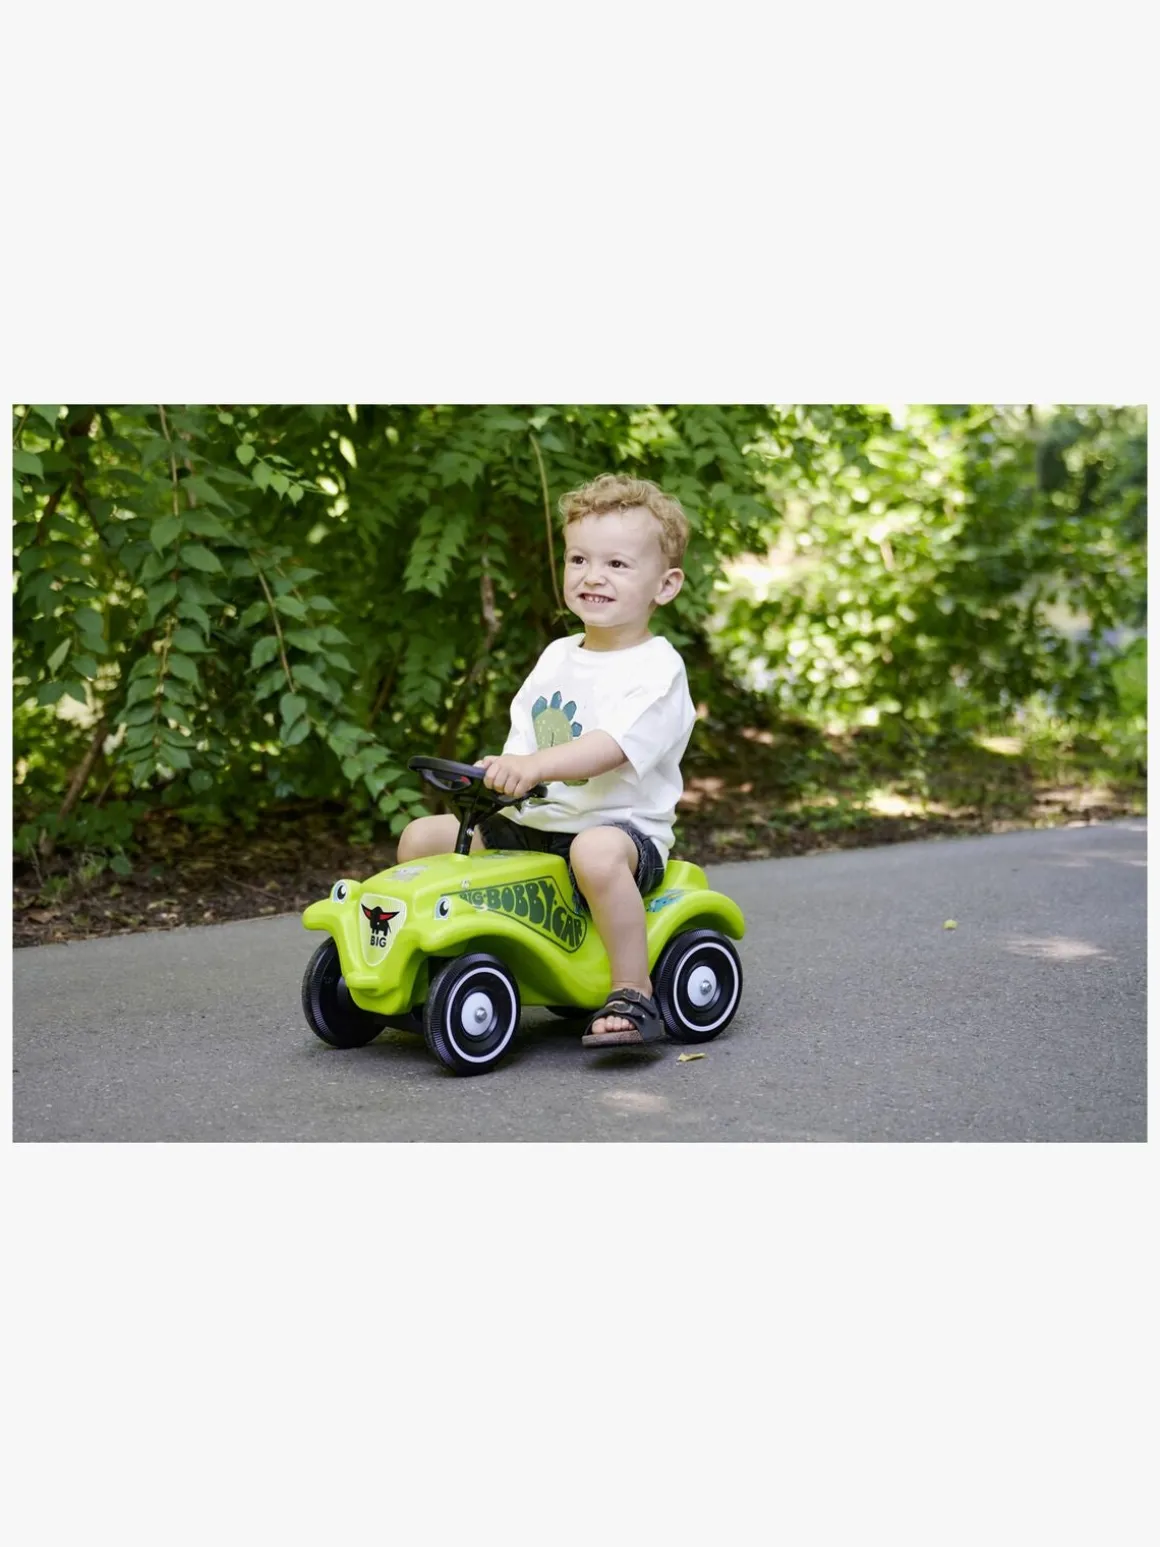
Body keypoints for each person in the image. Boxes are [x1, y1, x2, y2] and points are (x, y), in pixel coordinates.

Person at [396, 473, 697, 1047]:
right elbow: (525, 743)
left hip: (619, 832)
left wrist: (535, 768)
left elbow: (611, 746)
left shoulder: (658, 669)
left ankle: (632, 989)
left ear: (665, 585)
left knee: (594, 852)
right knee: (423, 838)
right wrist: (501, 772)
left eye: (617, 564)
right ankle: (443, 962)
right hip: (532, 826)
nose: (592, 575)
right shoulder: (557, 656)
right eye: (579, 559)